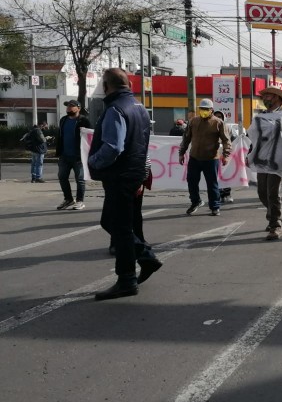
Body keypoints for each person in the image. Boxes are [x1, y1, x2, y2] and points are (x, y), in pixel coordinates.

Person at [88, 68, 161, 301]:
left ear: (107, 86)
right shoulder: (139, 107)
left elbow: (113, 147)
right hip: (135, 173)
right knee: (116, 223)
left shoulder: (115, 109)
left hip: (120, 176)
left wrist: (93, 161)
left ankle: (128, 278)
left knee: (118, 226)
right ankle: (144, 258)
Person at [179, 98, 231, 216]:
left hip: (211, 159)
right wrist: (181, 153)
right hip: (194, 157)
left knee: (212, 184)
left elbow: (226, 140)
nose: (203, 111)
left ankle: (215, 206)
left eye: (206, 109)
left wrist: (226, 155)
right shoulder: (193, 121)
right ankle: (195, 201)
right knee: (191, 181)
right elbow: (186, 138)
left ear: (211, 110)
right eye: (202, 109)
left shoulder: (218, 123)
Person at [253, 86, 282, 240]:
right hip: (262, 159)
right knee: (262, 192)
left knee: (272, 193)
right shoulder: (261, 116)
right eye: (265, 96)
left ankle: (275, 225)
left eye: (269, 96)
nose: (266, 98)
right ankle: (273, 214)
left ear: (277, 98)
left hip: (277, 160)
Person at [55, 100, 92, 210]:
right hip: (64, 155)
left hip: (78, 156)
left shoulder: (83, 120)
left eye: (71, 106)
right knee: (62, 177)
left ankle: (80, 201)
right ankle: (68, 199)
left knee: (80, 179)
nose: (68, 108)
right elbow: (61, 136)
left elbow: (90, 136)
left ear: (78, 108)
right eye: (67, 106)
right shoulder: (63, 120)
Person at [213, 110, 238, 204]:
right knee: (216, 176)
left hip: (226, 155)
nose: (218, 118)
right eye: (216, 116)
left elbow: (234, 139)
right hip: (213, 155)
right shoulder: (210, 127)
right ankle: (218, 195)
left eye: (220, 116)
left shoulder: (228, 128)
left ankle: (227, 194)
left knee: (226, 175)